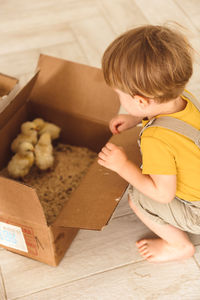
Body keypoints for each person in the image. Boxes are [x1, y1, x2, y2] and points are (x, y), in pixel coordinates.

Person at [97, 24, 200, 263]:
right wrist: (135, 118)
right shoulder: (185, 97)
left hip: (197, 212)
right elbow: (165, 114)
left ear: (142, 101)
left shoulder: (156, 140)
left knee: (139, 198)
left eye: (119, 95)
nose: (118, 100)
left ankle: (178, 246)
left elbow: (163, 195)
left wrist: (122, 166)